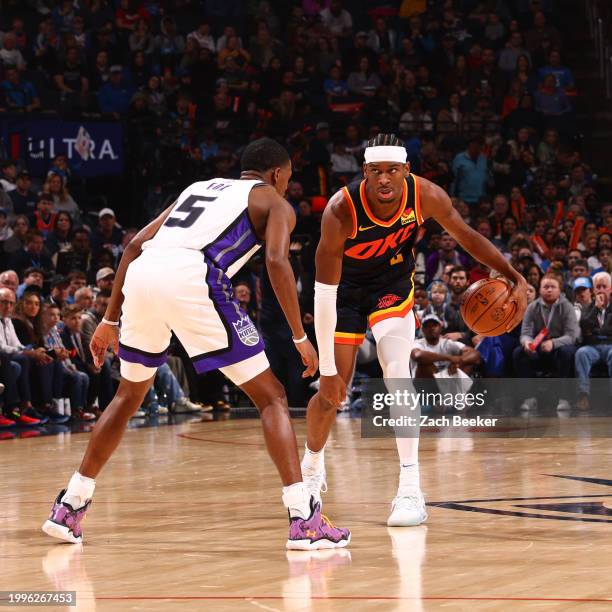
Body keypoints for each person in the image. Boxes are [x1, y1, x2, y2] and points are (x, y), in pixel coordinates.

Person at [43, 138, 350, 550]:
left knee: (128, 395)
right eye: (289, 177)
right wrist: (300, 336)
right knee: (272, 397)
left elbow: (134, 246)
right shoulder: (275, 203)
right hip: (195, 275)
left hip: (145, 272)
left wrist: (109, 319)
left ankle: (70, 505)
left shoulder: (198, 187)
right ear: (278, 174)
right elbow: (277, 262)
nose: (287, 185)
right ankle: (303, 519)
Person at [304, 133, 527, 527]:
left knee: (396, 374)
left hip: (392, 287)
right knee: (331, 391)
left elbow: (468, 236)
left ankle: (410, 488)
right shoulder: (341, 209)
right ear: (365, 173)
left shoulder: (425, 195)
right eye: (376, 172)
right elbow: (323, 296)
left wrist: (512, 274)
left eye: (393, 170)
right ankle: (312, 469)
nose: (385, 179)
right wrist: (324, 368)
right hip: (342, 294)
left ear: (407, 171)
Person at [574, 271, 612, 410]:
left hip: (610, 346)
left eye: (604, 286)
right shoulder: (589, 307)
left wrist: (596, 331)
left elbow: (598, 330)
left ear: (610, 288)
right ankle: (583, 396)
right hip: (593, 346)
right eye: (598, 287)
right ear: (593, 290)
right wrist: (596, 309)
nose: (601, 290)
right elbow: (584, 326)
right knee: (581, 353)